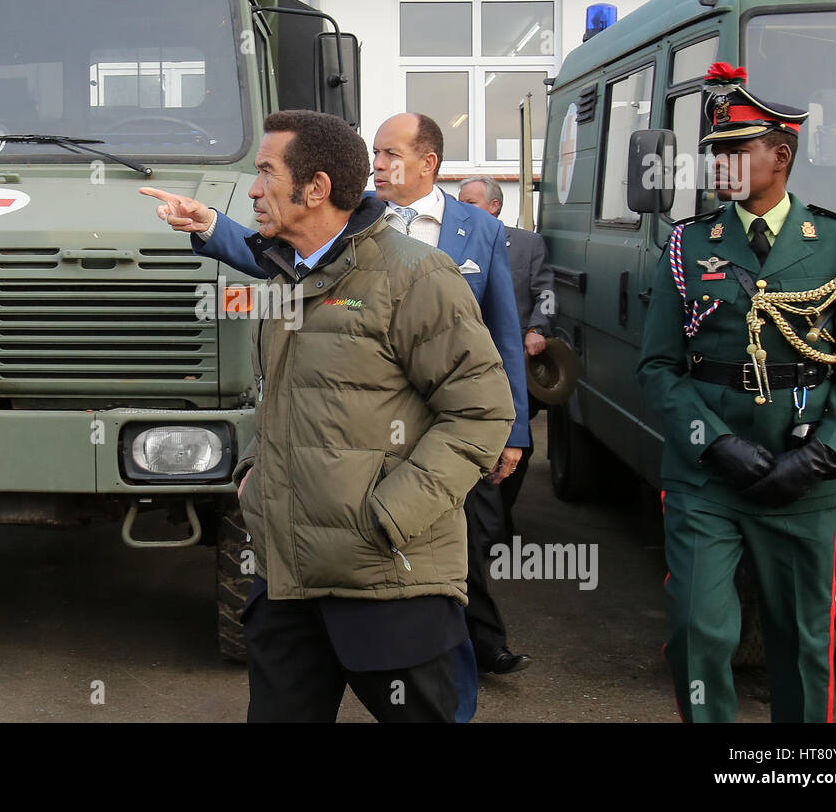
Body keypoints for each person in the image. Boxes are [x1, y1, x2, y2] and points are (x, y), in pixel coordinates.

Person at [145, 110, 515, 721]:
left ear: (315, 188)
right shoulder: (291, 273)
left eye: (265, 173)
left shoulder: (413, 275)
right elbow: (288, 402)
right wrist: (256, 475)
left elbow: (480, 411)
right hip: (289, 582)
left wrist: (390, 515)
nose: (254, 190)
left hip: (388, 584)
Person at [637, 63, 836, 722]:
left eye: (735, 149)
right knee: (697, 630)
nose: (720, 162)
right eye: (714, 150)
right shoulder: (691, 246)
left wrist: (822, 454)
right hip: (709, 477)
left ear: (781, 154)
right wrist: (714, 444)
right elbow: (659, 367)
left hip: (806, 480)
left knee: (802, 644)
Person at [458, 176, 557, 536]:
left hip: (512, 360)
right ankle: (482, 524)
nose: (461, 208)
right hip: (468, 361)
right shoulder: (450, 240)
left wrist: (537, 328)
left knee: (515, 443)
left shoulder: (528, 244)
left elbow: (544, 291)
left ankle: (502, 514)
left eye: (469, 202)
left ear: (494, 206)